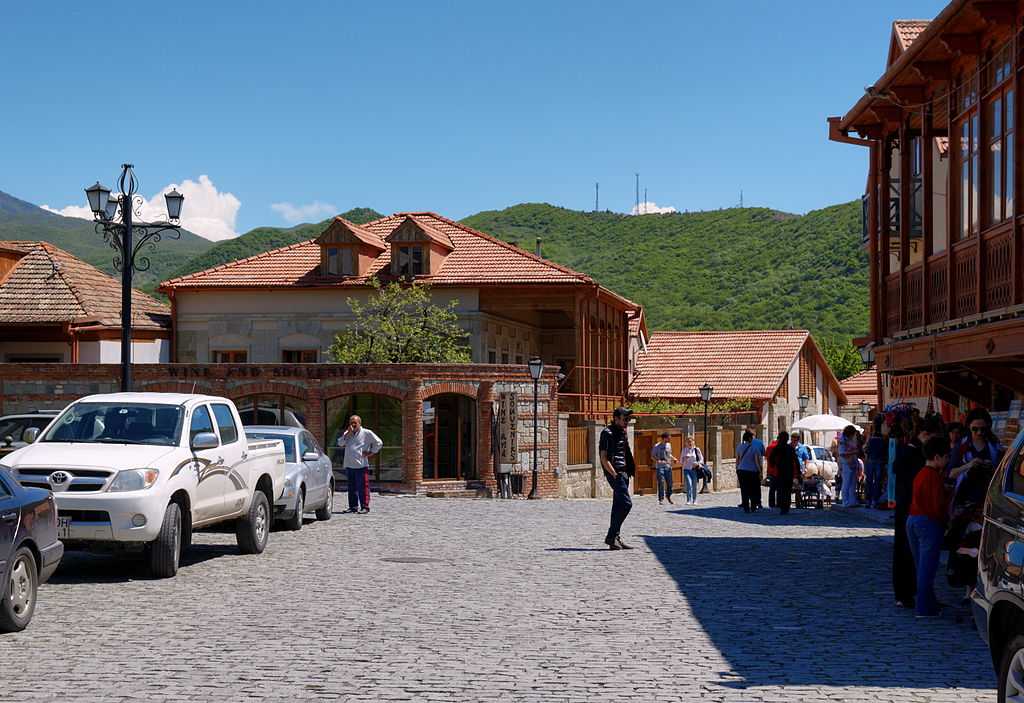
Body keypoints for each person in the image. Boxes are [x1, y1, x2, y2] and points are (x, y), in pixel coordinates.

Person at [946, 409, 1004, 600]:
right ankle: (968, 588)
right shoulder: (962, 447)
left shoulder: (994, 446)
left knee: (985, 547)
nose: (979, 433)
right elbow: (951, 473)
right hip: (964, 504)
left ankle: (981, 587)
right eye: (975, 429)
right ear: (969, 428)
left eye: (983, 429)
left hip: (987, 502)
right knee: (966, 546)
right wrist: (969, 465)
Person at [891, 416, 937, 608]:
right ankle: (906, 593)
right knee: (906, 551)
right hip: (909, 507)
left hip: (910, 507)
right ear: (924, 434)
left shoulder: (911, 450)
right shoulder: (912, 452)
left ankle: (912, 592)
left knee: (912, 551)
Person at [906, 436, 951, 617]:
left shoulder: (921, 473)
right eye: (946, 456)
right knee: (927, 569)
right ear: (937, 457)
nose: (948, 460)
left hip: (913, 520)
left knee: (922, 566)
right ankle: (924, 608)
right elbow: (937, 506)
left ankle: (929, 604)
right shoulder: (934, 477)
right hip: (928, 522)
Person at [600, 407, 636, 550]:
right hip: (616, 473)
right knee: (626, 504)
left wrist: (629, 471)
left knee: (618, 506)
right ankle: (611, 536)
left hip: (624, 472)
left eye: (628, 419)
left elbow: (625, 452)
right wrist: (614, 474)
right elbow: (604, 458)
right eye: (625, 419)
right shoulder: (606, 433)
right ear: (616, 419)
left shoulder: (622, 432)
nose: (627, 421)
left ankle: (615, 538)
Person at [336, 414, 383, 514]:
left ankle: (365, 506)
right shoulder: (347, 433)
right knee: (351, 488)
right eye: (351, 423)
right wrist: (347, 434)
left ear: (359, 423)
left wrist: (370, 452)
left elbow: (379, 443)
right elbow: (340, 443)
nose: (352, 425)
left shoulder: (366, 433)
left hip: (361, 465)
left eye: (354, 423)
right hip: (349, 464)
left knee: (363, 487)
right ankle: (353, 507)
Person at [735, 430, 765, 513]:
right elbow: (757, 461)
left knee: (744, 489)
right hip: (752, 471)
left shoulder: (739, 447)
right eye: (752, 437)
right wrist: (760, 471)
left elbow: (737, 460)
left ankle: (746, 506)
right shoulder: (754, 448)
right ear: (749, 438)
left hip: (741, 470)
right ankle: (753, 506)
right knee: (753, 489)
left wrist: (737, 469)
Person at [770, 431, 799, 514]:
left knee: (781, 490)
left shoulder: (777, 448)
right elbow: (796, 460)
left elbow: (771, 459)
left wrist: (774, 464)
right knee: (787, 490)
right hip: (789, 472)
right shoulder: (790, 448)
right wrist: (798, 472)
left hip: (780, 472)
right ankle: (786, 506)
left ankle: (782, 506)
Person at [865, 417, 887, 509]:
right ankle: (874, 500)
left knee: (869, 480)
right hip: (879, 460)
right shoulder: (883, 437)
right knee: (877, 481)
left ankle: (868, 500)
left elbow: (866, 450)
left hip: (871, 460)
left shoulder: (871, 437)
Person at [838, 425, 862, 508]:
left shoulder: (850, 439)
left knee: (853, 484)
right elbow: (842, 453)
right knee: (846, 483)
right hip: (846, 464)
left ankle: (852, 501)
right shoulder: (843, 441)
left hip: (853, 463)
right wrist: (854, 452)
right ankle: (845, 501)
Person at [651, 432, 676, 506]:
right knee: (661, 483)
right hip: (660, 467)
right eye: (668, 438)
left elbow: (669, 454)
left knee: (670, 483)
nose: (669, 439)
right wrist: (657, 460)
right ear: (664, 438)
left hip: (668, 466)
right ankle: (661, 499)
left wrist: (674, 458)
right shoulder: (656, 446)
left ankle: (668, 496)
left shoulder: (669, 445)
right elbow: (652, 456)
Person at [681, 436, 702, 505]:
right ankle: (688, 500)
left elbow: (701, 459)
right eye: (688, 442)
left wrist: (697, 463)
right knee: (689, 484)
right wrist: (685, 459)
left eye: (691, 441)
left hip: (694, 470)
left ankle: (695, 500)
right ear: (686, 443)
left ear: (693, 442)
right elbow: (681, 461)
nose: (690, 443)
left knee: (694, 485)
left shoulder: (696, 450)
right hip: (686, 469)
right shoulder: (684, 450)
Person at [765, 436, 779, 508]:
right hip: (780, 471)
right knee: (780, 488)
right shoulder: (781, 447)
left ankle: (771, 504)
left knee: (772, 488)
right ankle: (779, 503)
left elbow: (766, 457)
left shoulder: (769, 447)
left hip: (771, 470)